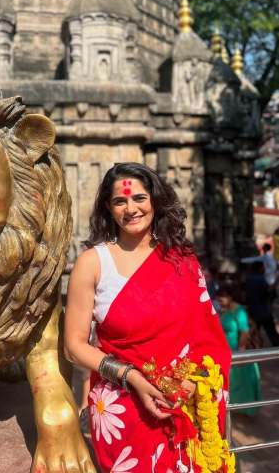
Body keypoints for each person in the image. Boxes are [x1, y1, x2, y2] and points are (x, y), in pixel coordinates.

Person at [64, 163, 233, 473]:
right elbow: (74, 345)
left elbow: (208, 338)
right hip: (123, 410)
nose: (131, 208)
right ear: (108, 207)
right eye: (120, 201)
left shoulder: (182, 261)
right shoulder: (93, 263)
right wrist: (132, 378)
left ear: (155, 200)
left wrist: (192, 384)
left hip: (183, 401)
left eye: (139, 198)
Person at [217, 286, 261, 416]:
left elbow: (245, 332)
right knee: (232, 383)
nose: (219, 301)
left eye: (222, 299)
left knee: (241, 384)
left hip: (237, 353)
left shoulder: (239, 312)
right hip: (226, 352)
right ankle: (233, 408)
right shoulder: (226, 310)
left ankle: (244, 409)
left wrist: (240, 352)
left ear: (230, 297)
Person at [244, 261, 279, 346]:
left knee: (253, 332)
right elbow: (269, 290)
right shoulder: (260, 278)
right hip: (263, 311)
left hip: (253, 311)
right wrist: (276, 281)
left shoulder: (248, 279)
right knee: (271, 333)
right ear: (260, 268)